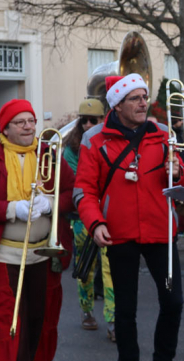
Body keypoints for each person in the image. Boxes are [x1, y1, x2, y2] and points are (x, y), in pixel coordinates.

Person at [77, 75, 184, 361]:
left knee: (173, 301)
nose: (143, 103)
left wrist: (178, 173)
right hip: (119, 234)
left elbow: (182, 181)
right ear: (117, 104)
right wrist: (95, 223)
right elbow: (84, 190)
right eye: (135, 98)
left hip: (161, 232)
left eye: (144, 97)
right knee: (125, 310)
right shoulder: (94, 139)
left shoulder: (163, 133)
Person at [0, 99, 75, 361]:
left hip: (44, 256)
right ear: (5, 129)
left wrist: (51, 203)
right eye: (20, 122)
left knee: (40, 324)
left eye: (31, 121)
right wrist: (12, 209)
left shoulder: (49, 156)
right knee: (4, 327)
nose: (28, 127)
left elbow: (73, 192)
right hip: (4, 258)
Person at [61, 99, 115, 341]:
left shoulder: (112, 143)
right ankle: (86, 310)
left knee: (111, 270)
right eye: (84, 120)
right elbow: (78, 186)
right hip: (82, 219)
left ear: (103, 120)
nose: (88, 124)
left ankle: (113, 320)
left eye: (94, 120)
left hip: (111, 217)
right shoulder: (71, 150)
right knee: (86, 269)